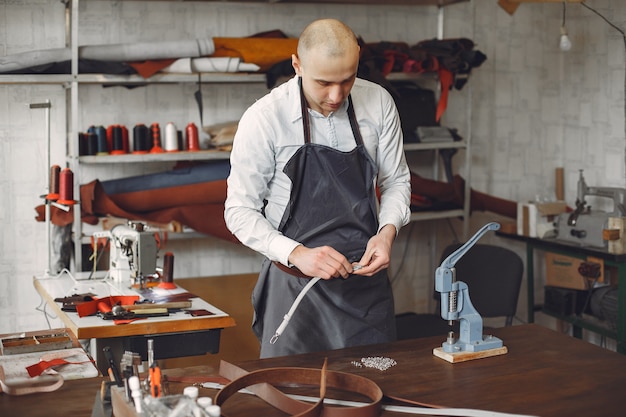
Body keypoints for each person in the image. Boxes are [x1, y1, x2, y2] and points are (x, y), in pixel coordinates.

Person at [224, 18, 411, 358]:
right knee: (292, 400)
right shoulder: (265, 118)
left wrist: (387, 233)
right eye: (324, 83)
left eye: (348, 80)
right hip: (295, 289)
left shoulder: (379, 103)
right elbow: (239, 211)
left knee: (372, 397)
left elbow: (396, 181)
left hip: (363, 289)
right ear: (297, 65)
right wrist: (297, 254)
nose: (337, 96)